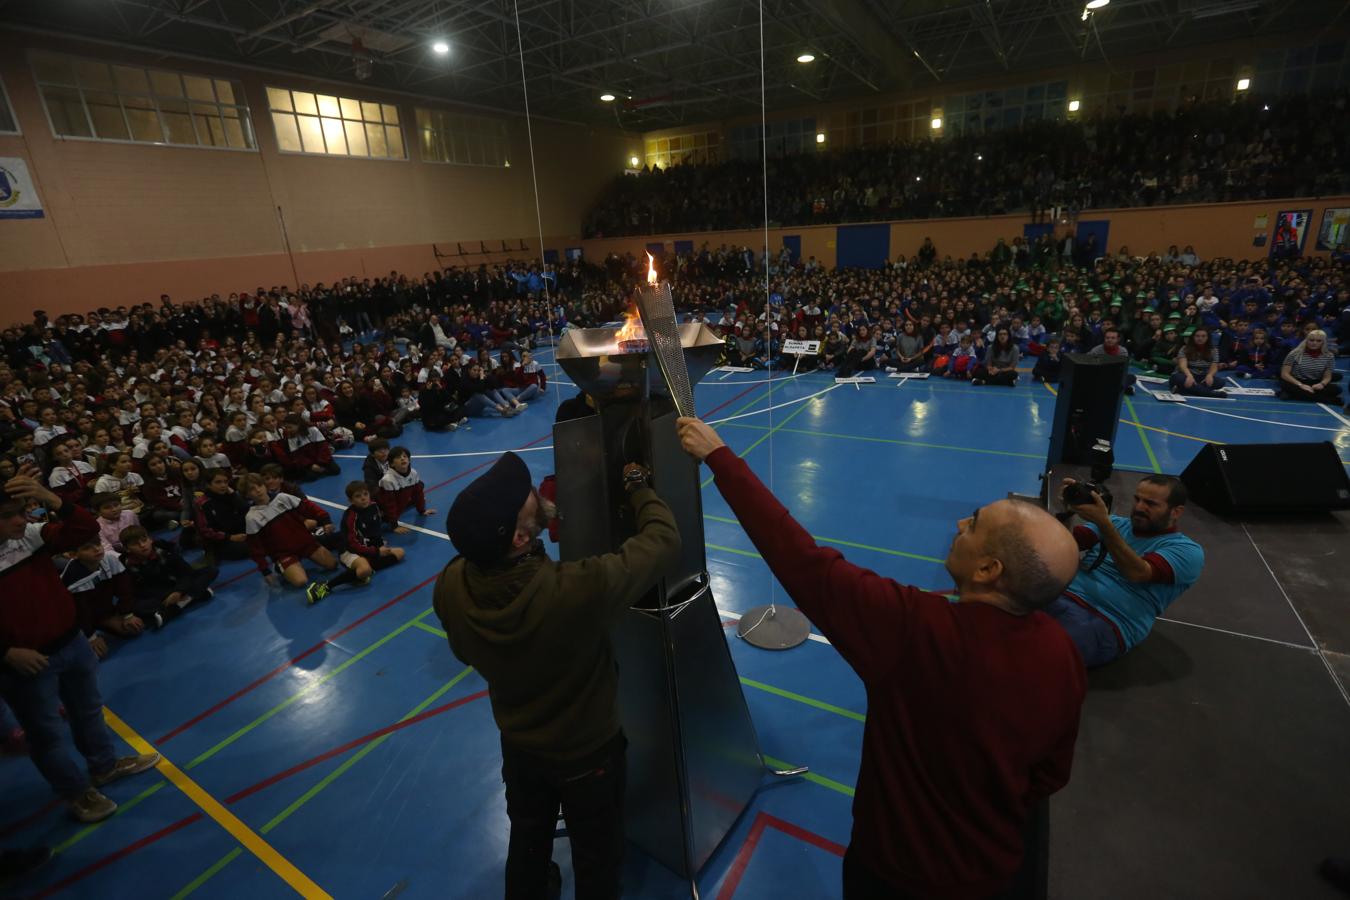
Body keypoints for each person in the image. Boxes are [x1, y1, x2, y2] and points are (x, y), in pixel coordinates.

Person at [674, 417, 1086, 900]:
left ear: (989, 569)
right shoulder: (1062, 653)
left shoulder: (914, 629)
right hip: (994, 871)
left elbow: (800, 559)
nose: (958, 524)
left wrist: (719, 457)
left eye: (973, 524)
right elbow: (1049, 776)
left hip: (896, 873)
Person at [433, 452, 681, 900]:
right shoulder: (574, 591)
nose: (534, 492)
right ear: (521, 537)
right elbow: (663, 540)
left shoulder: (450, 586)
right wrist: (638, 484)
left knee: (528, 845)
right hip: (589, 755)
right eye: (526, 497)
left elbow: (463, 650)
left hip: (521, 748)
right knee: (598, 859)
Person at [0, 465, 159, 822]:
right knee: (46, 735)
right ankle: (76, 793)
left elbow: (85, 529)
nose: (20, 520)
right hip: (26, 663)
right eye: (8, 516)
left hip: (70, 642)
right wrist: (6, 653)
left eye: (22, 512)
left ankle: (104, 766)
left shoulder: (29, 535)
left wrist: (50, 498)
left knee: (88, 710)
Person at [1045, 475, 1204, 667]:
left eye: (1150, 504)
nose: (1139, 508)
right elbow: (1062, 547)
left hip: (1108, 620)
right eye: (1137, 499)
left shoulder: (1187, 551)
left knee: (1043, 651)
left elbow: (1137, 573)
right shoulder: (1116, 523)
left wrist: (1105, 525)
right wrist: (1066, 512)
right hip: (1061, 596)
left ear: (1176, 512)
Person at [309, 481, 406, 605]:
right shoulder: (351, 517)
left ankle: (360, 571)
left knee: (400, 553)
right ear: (351, 500)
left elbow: (376, 531)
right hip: (349, 550)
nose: (363, 498)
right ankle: (326, 586)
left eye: (365, 494)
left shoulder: (374, 506)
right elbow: (352, 545)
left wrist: (380, 546)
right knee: (365, 570)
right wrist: (376, 552)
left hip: (369, 547)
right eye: (358, 496)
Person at [119, 526, 217, 629]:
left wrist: (178, 591)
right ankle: (194, 595)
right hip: (156, 594)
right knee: (136, 607)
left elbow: (186, 572)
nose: (142, 545)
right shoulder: (124, 566)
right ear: (126, 549)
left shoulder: (165, 550)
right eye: (135, 544)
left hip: (175, 584)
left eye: (144, 540)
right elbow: (132, 591)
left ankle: (172, 610)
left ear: (150, 539)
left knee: (210, 571)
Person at [377, 447, 435, 533]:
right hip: (382, 508)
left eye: (404, 456)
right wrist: (394, 526)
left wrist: (422, 510)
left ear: (409, 460)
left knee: (419, 489)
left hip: (401, 501)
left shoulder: (413, 473)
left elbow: (418, 494)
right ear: (392, 464)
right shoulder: (388, 480)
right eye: (398, 457)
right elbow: (389, 505)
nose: (402, 458)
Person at [1278, 329, 1340, 402]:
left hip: (1315, 382)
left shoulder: (1329, 356)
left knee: (1337, 389)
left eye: (1318, 341)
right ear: (1306, 340)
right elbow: (1284, 374)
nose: (1314, 343)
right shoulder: (1295, 353)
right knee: (1285, 385)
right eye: (1311, 340)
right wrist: (1300, 385)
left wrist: (1322, 384)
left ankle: (1294, 395)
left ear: (1323, 342)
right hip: (1296, 381)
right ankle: (1328, 400)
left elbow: (1327, 376)